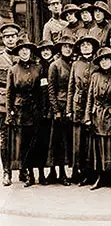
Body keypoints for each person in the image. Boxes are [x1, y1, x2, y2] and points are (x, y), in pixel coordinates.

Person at [85, 47, 111, 190]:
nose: (104, 62)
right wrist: (87, 116)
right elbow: (90, 97)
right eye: (102, 60)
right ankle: (100, 176)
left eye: (107, 59)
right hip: (97, 116)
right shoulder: (95, 76)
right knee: (98, 147)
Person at [5, 37, 43, 187]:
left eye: (26, 49)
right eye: (21, 50)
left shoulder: (38, 68)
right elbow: (9, 93)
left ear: (30, 51)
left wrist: (43, 108)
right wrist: (10, 112)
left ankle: (40, 173)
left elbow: (43, 90)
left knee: (37, 142)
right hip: (21, 110)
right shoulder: (13, 70)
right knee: (24, 144)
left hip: (36, 110)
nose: (24, 52)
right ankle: (28, 175)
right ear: (18, 52)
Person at [66, 36, 100, 186]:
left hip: (93, 104)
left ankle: (94, 173)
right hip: (78, 105)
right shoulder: (75, 64)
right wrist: (69, 109)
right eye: (83, 45)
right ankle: (83, 173)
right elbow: (71, 88)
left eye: (89, 45)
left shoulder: (98, 63)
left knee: (92, 140)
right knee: (79, 141)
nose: (86, 47)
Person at [47, 35, 75, 186]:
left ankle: (73, 171)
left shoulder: (74, 64)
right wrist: (56, 109)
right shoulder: (55, 65)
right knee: (59, 142)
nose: (67, 49)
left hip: (71, 106)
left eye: (70, 47)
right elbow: (51, 90)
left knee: (70, 140)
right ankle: (61, 173)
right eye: (65, 47)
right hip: (60, 107)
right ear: (60, 48)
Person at [0, 23, 21, 186]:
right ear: (3, 39)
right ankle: (6, 172)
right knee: (5, 139)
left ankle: (23, 170)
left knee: (23, 137)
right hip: (2, 102)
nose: (10, 40)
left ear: (17, 37)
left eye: (13, 36)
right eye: (7, 37)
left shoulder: (24, 55)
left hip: (21, 102)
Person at [35, 39, 56, 185]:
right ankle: (42, 173)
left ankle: (55, 171)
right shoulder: (38, 68)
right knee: (41, 142)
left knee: (53, 141)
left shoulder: (54, 65)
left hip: (52, 108)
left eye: (48, 49)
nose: (46, 52)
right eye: (43, 50)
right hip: (39, 109)